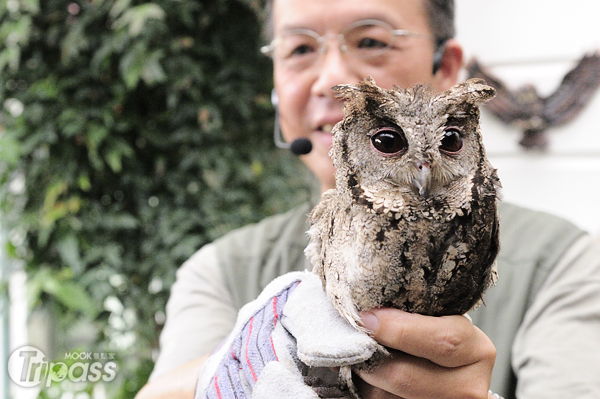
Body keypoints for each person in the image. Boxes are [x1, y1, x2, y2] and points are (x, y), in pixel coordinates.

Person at [136, 0, 600, 398]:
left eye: (372, 41)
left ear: (446, 68)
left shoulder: (562, 262)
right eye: (299, 49)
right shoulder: (221, 269)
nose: (333, 79)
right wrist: (237, 366)